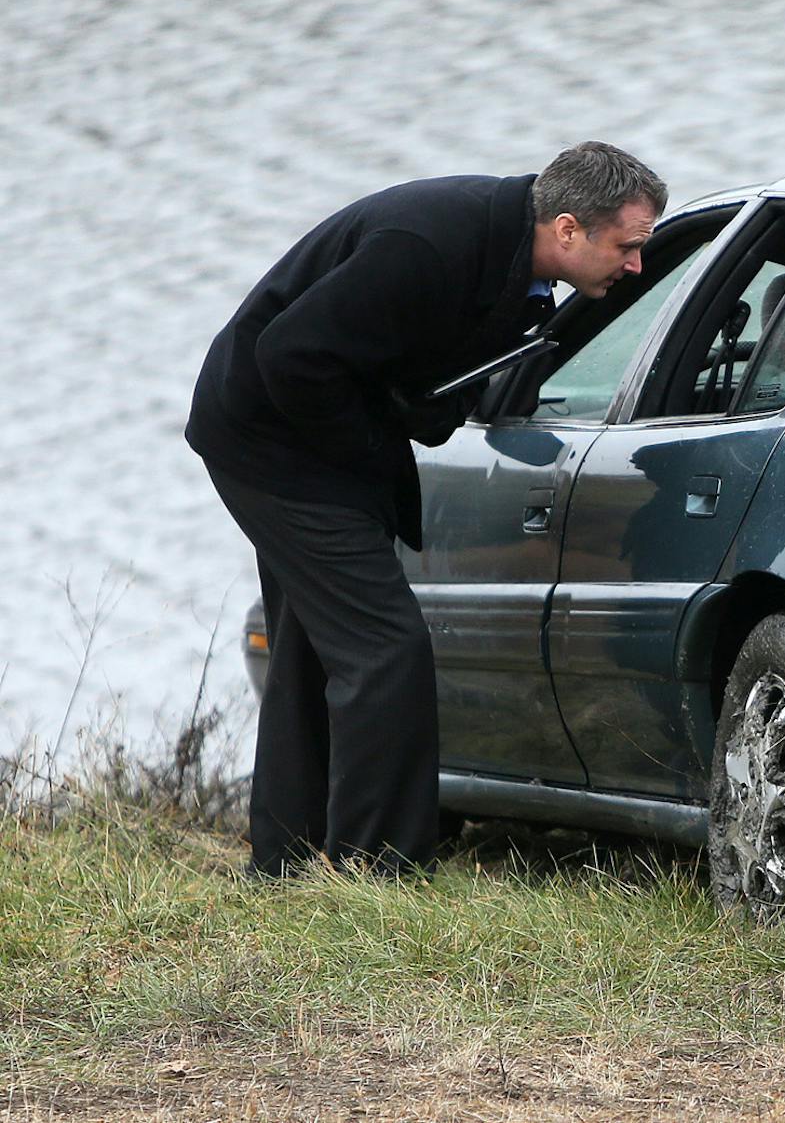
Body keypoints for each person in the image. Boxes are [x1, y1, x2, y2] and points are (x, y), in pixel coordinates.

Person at [186, 141, 667, 876]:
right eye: (628, 247)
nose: (636, 265)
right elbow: (290, 355)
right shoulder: (428, 244)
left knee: (313, 646)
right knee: (385, 649)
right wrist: (369, 446)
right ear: (568, 229)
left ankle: (285, 862)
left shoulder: (519, 265)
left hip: (312, 436)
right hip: (268, 438)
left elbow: (415, 372)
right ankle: (380, 868)